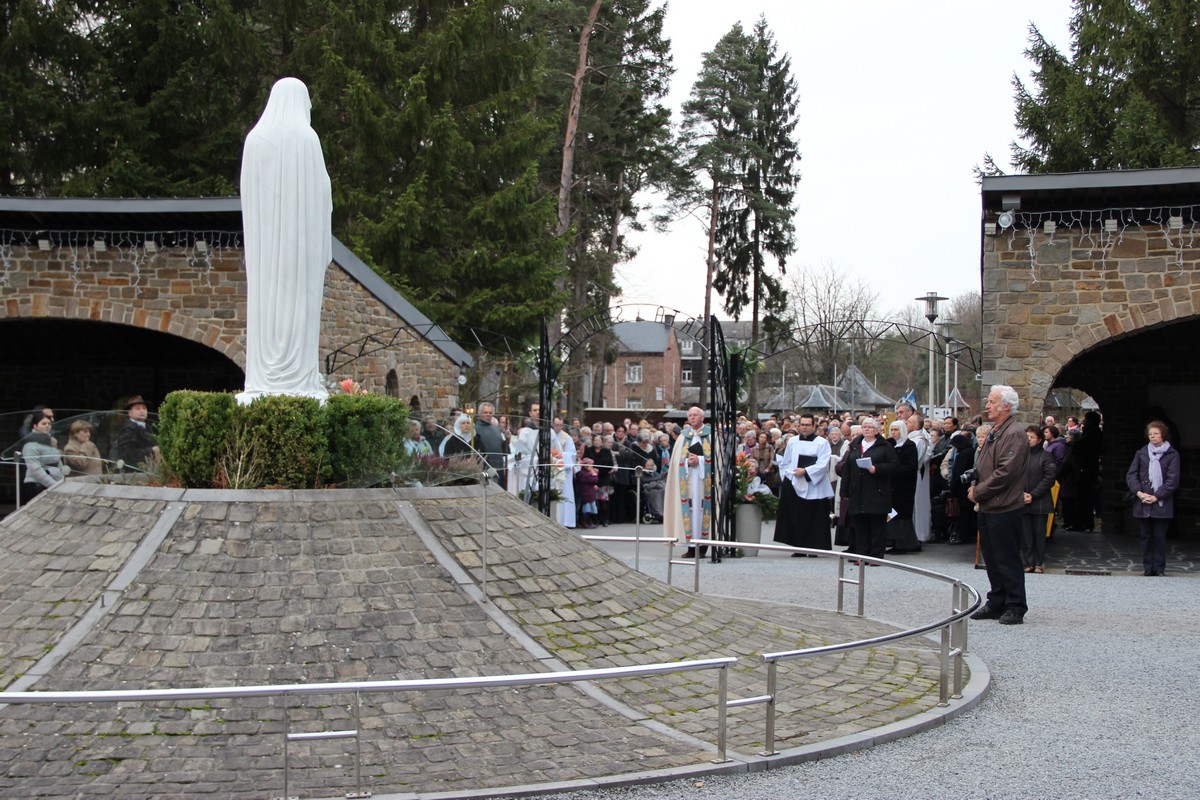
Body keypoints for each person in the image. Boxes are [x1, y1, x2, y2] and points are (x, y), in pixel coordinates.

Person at [238, 77, 332, 404]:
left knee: (266, 305)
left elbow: (248, 195)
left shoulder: (255, 140)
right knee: (298, 305)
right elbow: (321, 193)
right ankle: (297, 375)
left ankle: (264, 375)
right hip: (299, 248)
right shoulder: (306, 138)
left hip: (263, 250)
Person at [969, 385, 1030, 625]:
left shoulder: (1013, 433)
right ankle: (997, 601)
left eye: (992, 401)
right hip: (989, 505)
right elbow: (985, 465)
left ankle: (1015, 605)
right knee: (992, 559)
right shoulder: (996, 430)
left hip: (1005, 506)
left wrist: (979, 491)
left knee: (1007, 558)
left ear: (1006, 406)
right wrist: (974, 484)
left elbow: (1006, 472)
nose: (987, 405)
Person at [837, 417, 899, 563]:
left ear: (876, 430)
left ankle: (876, 557)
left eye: (870, 427)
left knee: (877, 526)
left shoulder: (885, 446)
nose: (866, 429)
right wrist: (844, 491)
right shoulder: (855, 445)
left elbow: (894, 466)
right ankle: (862, 555)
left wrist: (876, 469)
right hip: (857, 492)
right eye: (864, 427)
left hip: (877, 491)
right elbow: (847, 469)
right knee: (860, 526)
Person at [1125, 420, 1180, 577]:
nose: (1153, 436)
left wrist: (1157, 496)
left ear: (1163, 435)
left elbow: (1172, 480)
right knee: (1146, 536)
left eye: (1156, 433)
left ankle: (1159, 567)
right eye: (1150, 434)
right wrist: (1139, 492)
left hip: (1161, 502)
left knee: (1159, 537)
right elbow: (1132, 475)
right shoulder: (1141, 453)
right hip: (1143, 500)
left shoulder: (1172, 455)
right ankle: (1148, 567)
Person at [773, 413, 834, 555]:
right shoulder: (793, 441)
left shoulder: (822, 442)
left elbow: (823, 464)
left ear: (814, 426)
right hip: (795, 482)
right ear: (798, 426)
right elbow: (786, 461)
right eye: (802, 425)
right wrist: (789, 475)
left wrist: (806, 471)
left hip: (814, 485)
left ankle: (814, 547)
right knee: (797, 515)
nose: (805, 427)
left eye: (808, 425)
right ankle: (799, 547)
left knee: (814, 517)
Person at [665, 406, 713, 558]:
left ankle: (703, 547)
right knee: (690, 511)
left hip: (704, 482)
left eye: (695, 415)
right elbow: (676, 461)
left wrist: (700, 460)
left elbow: (718, 460)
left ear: (702, 417)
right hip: (688, 480)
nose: (692, 417)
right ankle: (690, 547)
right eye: (690, 415)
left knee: (703, 512)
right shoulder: (683, 437)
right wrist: (687, 462)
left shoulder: (711, 436)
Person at [1021, 426, 1057, 574]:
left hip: (1040, 501)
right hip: (1022, 499)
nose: (1029, 440)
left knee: (1039, 534)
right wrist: (1021, 493)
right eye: (1027, 437)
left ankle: (1038, 563)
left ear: (1039, 439)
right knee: (1025, 535)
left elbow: (1049, 478)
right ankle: (1028, 562)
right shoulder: (1020, 456)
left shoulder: (1046, 456)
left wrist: (1033, 494)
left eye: (1032, 437)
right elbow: (1013, 476)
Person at [885, 419, 921, 554]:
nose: (893, 432)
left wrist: (894, 469)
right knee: (892, 515)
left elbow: (911, 467)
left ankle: (903, 544)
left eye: (896, 430)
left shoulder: (910, 446)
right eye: (892, 430)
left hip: (904, 486)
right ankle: (893, 541)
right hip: (891, 485)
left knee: (902, 515)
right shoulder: (889, 444)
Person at [21, 413, 67, 501]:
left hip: (55, 483)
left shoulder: (50, 443)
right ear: (35, 426)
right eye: (44, 424)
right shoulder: (30, 445)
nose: (47, 426)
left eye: (49, 424)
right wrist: (53, 484)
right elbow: (35, 469)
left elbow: (58, 462)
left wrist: (61, 481)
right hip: (36, 485)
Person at [907, 413, 933, 544]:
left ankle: (918, 534)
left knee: (917, 506)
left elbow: (914, 460)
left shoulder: (919, 441)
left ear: (915, 425)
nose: (906, 424)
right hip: (914, 475)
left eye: (909, 422)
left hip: (916, 475)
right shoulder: (913, 438)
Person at [116, 395, 160, 472]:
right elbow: (129, 453)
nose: (142, 411)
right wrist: (152, 450)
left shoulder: (148, 427)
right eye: (137, 409)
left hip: (150, 470)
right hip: (134, 472)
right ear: (130, 413)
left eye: (144, 408)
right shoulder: (128, 429)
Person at [473, 402, 508, 486]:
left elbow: (503, 449)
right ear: (480, 414)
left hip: (499, 465)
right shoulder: (475, 429)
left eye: (490, 412)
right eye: (485, 412)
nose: (488, 414)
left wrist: (508, 439)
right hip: (484, 466)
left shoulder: (496, 429)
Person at [551, 417, 577, 529]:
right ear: (552, 424)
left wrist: (561, 455)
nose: (558, 427)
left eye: (560, 425)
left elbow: (572, 454)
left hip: (564, 472)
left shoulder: (567, 438)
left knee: (565, 494)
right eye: (557, 425)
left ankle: (567, 520)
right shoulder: (549, 435)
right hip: (552, 470)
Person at [576, 459, 600, 529]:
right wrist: (593, 472)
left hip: (589, 492)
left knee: (592, 507)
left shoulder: (583, 474)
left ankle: (591, 521)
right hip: (586, 493)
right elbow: (594, 480)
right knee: (587, 508)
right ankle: (585, 522)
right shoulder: (585, 474)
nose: (592, 467)